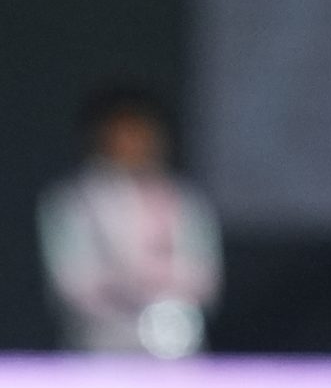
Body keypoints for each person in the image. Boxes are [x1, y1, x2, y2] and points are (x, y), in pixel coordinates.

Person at [37, 88, 222, 356]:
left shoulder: (187, 201)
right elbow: (71, 283)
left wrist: (162, 296)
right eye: (123, 132)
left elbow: (205, 279)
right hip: (98, 346)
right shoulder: (72, 202)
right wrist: (128, 292)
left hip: (175, 345)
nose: (133, 141)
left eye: (141, 131)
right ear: (102, 136)